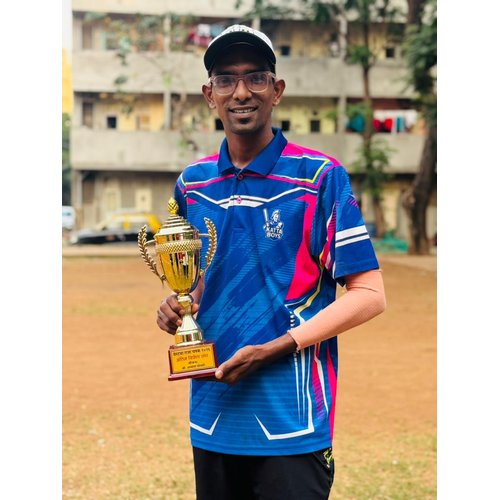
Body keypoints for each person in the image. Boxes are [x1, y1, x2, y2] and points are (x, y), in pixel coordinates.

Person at [157, 24, 386, 500]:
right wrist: (180, 304)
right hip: (213, 416)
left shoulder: (319, 178)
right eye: (226, 79)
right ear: (209, 94)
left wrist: (277, 347)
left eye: (255, 77)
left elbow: (369, 295)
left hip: (293, 420)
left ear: (276, 90)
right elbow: (200, 280)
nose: (241, 92)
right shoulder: (193, 184)